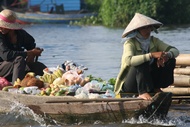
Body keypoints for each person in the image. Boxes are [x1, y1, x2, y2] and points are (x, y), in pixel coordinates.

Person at [114, 13, 179, 100]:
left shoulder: (154, 41)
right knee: (142, 61)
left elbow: (175, 50)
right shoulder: (130, 43)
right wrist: (151, 55)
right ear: (137, 30)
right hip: (131, 84)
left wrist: (166, 56)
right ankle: (142, 92)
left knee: (171, 60)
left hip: (148, 81)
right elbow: (128, 60)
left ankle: (156, 87)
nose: (147, 30)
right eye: (144, 28)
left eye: (148, 27)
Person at [0, 9, 47, 83]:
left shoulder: (20, 34)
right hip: (2, 67)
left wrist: (34, 52)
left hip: (16, 67)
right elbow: (6, 55)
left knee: (39, 67)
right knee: (19, 59)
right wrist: (28, 53)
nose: (1, 28)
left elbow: (31, 44)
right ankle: (16, 86)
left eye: (3, 26)